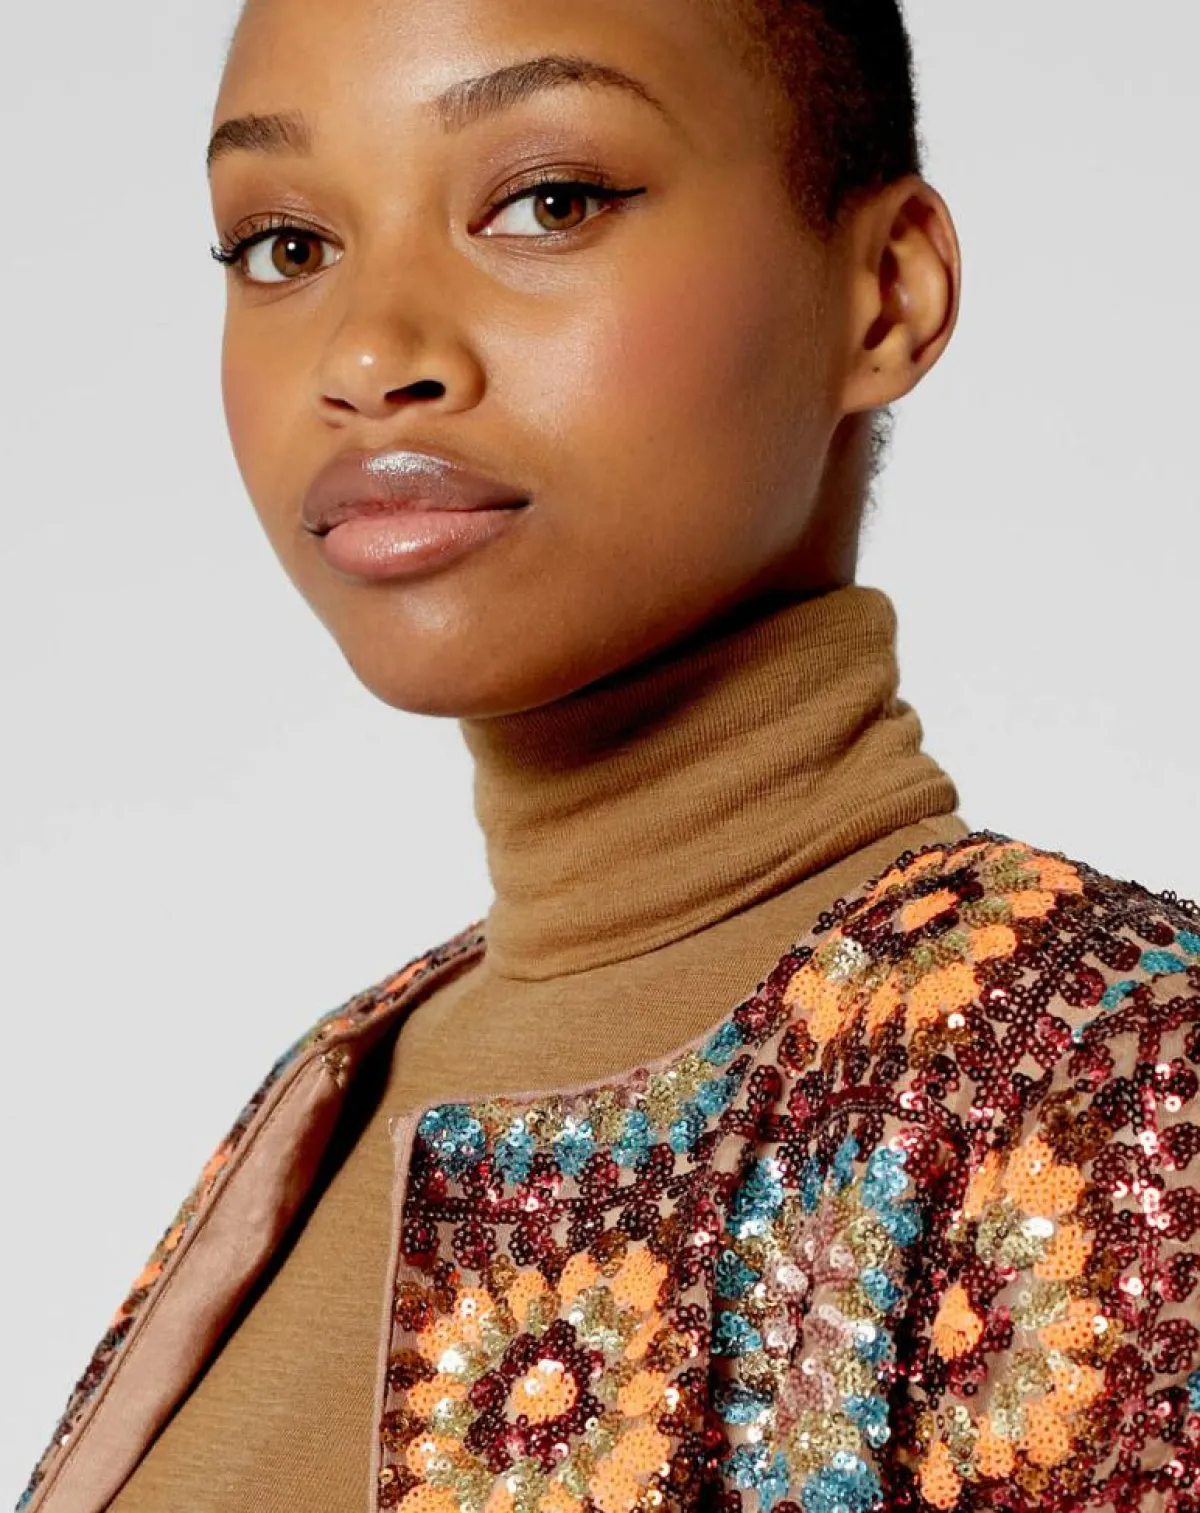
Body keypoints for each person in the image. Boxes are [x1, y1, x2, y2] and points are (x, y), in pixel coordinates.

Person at [17, 0, 1200, 1510]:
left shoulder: (1109, 1079)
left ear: (886, 294)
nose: (370, 354)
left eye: (549, 202)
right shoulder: (341, 1088)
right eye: (285, 244)